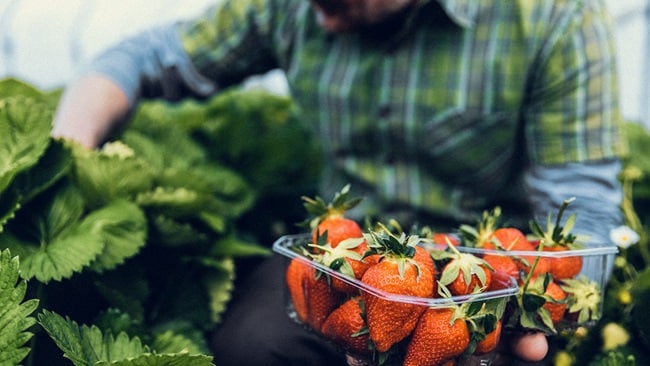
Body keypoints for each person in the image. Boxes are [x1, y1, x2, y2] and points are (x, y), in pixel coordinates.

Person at [51, 0, 627, 365]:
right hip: (340, 254)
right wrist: (67, 153)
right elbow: (148, 57)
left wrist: (520, 312)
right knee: (246, 344)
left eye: (339, 2)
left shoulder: (555, 15)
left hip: (479, 279)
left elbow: (582, 219)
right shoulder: (293, 5)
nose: (319, 17)